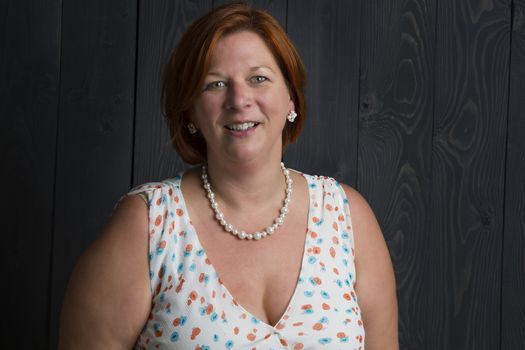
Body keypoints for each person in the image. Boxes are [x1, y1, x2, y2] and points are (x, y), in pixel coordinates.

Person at [59, 3, 398, 349]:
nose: (239, 99)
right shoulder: (148, 226)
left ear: (291, 99)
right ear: (190, 110)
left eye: (259, 79)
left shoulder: (346, 218)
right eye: (215, 84)